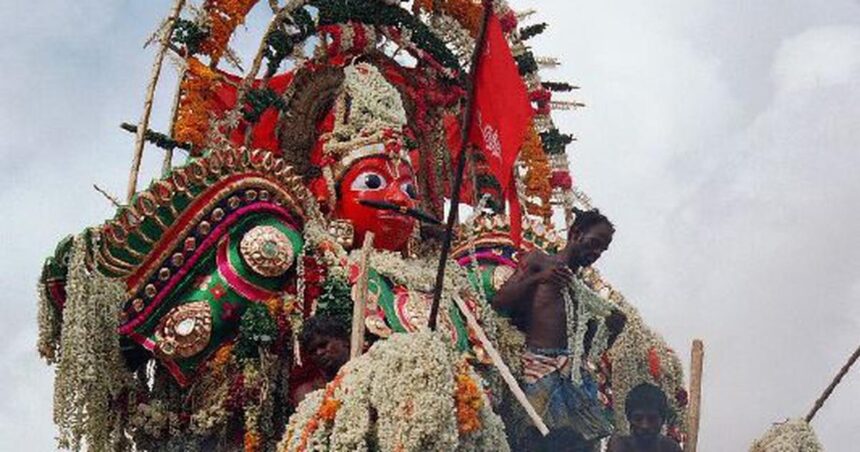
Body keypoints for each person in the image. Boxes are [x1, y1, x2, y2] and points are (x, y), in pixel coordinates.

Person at [493, 208, 617, 451]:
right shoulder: (539, 262)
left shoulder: (584, 290)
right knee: (535, 440)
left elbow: (588, 347)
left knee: (582, 443)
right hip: (541, 366)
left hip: (574, 373)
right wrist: (540, 278)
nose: (596, 253)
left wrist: (611, 330)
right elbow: (500, 301)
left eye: (602, 250)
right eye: (594, 244)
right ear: (576, 233)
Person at [292, 315, 352, 404]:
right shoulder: (308, 393)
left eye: (323, 345)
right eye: (312, 351)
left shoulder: (369, 369)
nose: (319, 353)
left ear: (344, 340)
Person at [607, 383, 683, 452]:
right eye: (638, 419)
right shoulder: (618, 448)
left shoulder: (671, 449)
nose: (645, 425)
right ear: (629, 418)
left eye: (652, 419)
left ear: (662, 420)